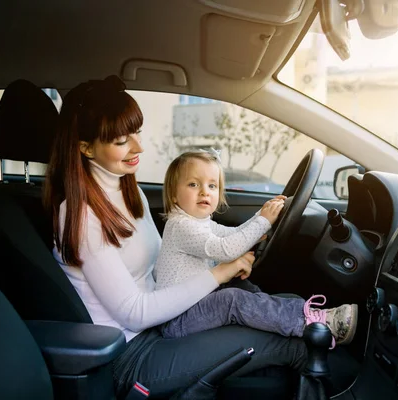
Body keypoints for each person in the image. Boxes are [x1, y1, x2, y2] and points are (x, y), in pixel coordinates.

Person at [44, 75, 328, 399]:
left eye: (136, 132)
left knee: (288, 306)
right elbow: (133, 312)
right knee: (295, 343)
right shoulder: (81, 216)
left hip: (163, 323)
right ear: (85, 148)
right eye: (121, 140)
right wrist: (219, 273)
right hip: (129, 354)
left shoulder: (127, 189)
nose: (138, 146)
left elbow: (162, 264)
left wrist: (227, 263)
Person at [155, 150, 358, 344]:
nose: (204, 192)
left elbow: (233, 234)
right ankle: (313, 324)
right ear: (173, 194)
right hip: (177, 320)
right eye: (193, 184)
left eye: (212, 186)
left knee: (237, 285)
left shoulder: (200, 222)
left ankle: (281, 312)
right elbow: (226, 249)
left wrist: (261, 215)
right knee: (232, 300)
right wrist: (263, 222)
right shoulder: (180, 226)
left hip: (193, 304)